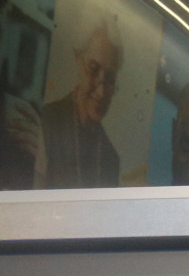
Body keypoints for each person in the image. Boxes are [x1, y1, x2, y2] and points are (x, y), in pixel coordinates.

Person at [17, 22, 123, 189]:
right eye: (93, 69)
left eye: (110, 78)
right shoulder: (44, 122)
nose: (102, 92)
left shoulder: (111, 159)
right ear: (78, 62)